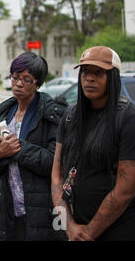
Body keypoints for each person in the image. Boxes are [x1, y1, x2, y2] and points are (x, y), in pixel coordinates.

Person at [51, 46, 135, 241]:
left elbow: (125, 190)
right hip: (74, 228)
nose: (89, 78)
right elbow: (57, 176)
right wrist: (69, 226)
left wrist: (89, 233)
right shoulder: (71, 116)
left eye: (98, 73)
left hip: (117, 230)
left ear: (112, 78)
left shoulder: (127, 117)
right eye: (86, 72)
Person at [0, 52, 66, 241]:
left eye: (27, 79)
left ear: (38, 84)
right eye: (15, 77)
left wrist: (18, 148)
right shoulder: (2, 114)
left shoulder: (52, 115)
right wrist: (0, 153)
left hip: (43, 212)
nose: (19, 84)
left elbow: (53, 163)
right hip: (8, 211)